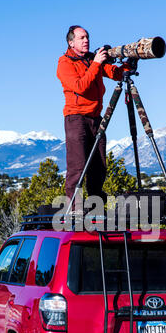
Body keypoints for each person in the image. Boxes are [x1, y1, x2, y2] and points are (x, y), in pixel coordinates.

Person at [57, 25, 130, 211]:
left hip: (96, 119)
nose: (86, 40)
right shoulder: (65, 63)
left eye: (87, 37)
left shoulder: (92, 59)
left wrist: (129, 64)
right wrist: (97, 63)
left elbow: (115, 73)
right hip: (76, 119)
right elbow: (80, 87)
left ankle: (95, 209)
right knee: (78, 168)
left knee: (99, 167)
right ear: (71, 42)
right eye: (81, 38)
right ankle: (75, 212)